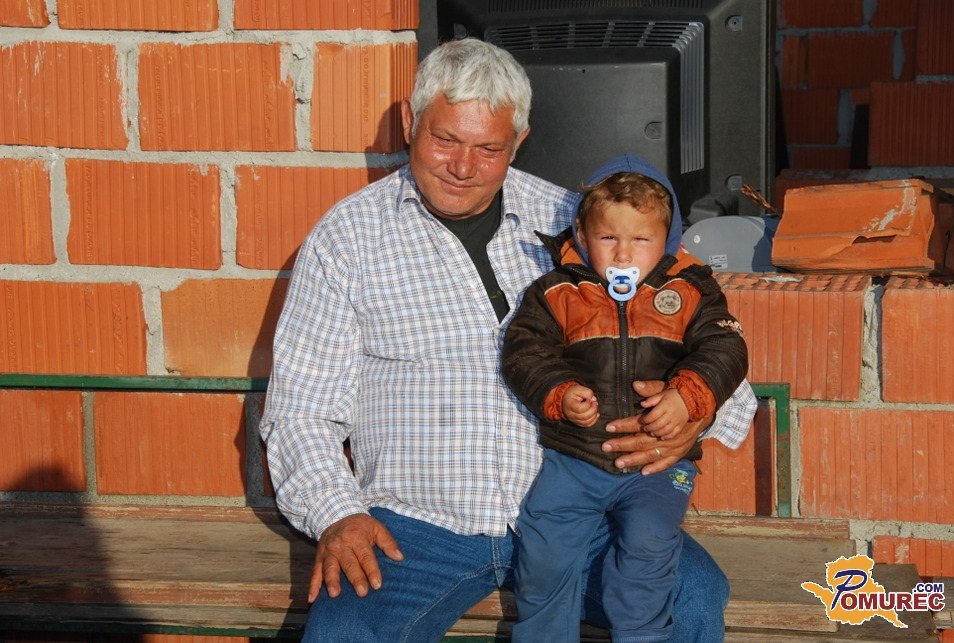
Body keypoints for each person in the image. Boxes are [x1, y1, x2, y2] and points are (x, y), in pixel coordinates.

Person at [259, 37, 758, 642]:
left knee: (693, 598)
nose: (462, 166)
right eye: (445, 139)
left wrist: (691, 416)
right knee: (344, 634)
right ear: (411, 123)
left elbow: (716, 360)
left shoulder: (586, 223)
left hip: (586, 506)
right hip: (418, 528)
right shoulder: (348, 240)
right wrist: (337, 514)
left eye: (488, 148)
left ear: (519, 141)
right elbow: (302, 410)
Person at [501, 160, 749, 642]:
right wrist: (558, 392)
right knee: (545, 551)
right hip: (575, 457)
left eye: (641, 239)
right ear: (581, 234)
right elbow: (524, 353)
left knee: (648, 548)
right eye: (608, 237)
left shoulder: (691, 289)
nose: (622, 253)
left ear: (668, 239)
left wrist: (687, 396)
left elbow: (725, 347)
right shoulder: (557, 291)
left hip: (655, 467)